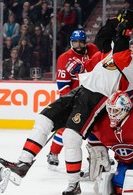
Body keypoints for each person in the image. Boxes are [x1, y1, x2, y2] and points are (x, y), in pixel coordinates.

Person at [0, 9, 133, 195]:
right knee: (44, 119)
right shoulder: (116, 50)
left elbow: (120, 56)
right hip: (81, 90)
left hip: (98, 98)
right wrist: (117, 21)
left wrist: (125, 29)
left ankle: (73, 186)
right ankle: (23, 163)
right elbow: (102, 38)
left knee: (71, 136)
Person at [46, 29, 99, 168]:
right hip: (73, 97)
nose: (79, 45)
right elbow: (63, 85)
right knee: (66, 128)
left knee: (96, 128)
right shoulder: (65, 58)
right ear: (71, 42)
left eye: (81, 42)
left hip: (93, 95)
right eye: (76, 42)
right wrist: (71, 102)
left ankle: (96, 157)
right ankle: (53, 153)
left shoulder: (93, 50)